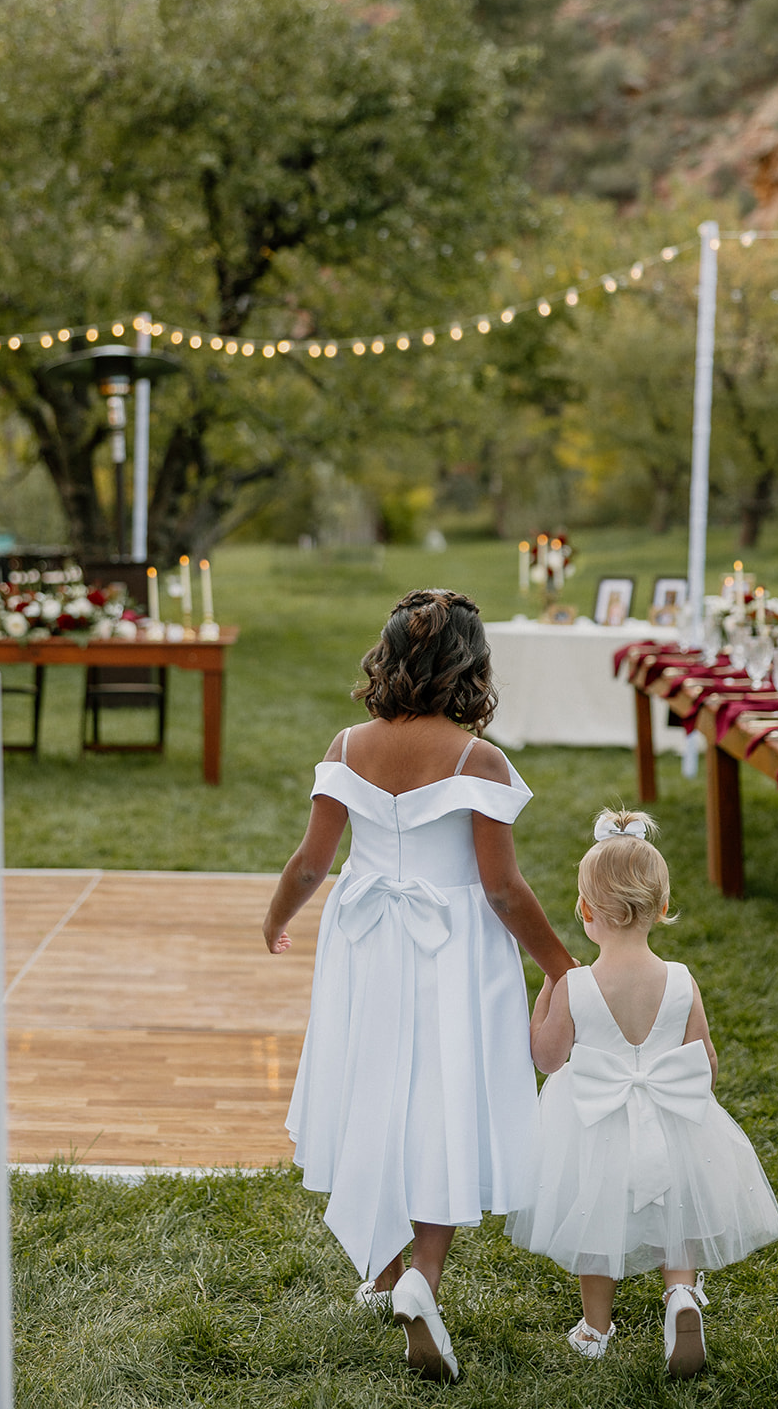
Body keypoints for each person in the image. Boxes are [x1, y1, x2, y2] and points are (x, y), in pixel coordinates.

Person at [263, 588, 574, 1383]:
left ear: (388, 657)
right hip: (456, 949)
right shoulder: (479, 760)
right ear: (471, 667)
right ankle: (419, 1281)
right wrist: (560, 963)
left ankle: (382, 1267)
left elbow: (310, 862)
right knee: (444, 1099)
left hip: (364, 943)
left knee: (374, 1088)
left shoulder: (345, 746)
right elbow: (502, 889)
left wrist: (276, 917)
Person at [506, 809, 778, 1377]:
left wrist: (543, 997)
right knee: (675, 1208)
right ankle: (680, 1294)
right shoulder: (681, 978)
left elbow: (547, 1057)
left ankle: (595, 1327)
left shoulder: (576, 984)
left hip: (593, 1124)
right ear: (661, 908)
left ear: (585, 911)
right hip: (669, 1117)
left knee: (593, 1218)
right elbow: (704, 1062)